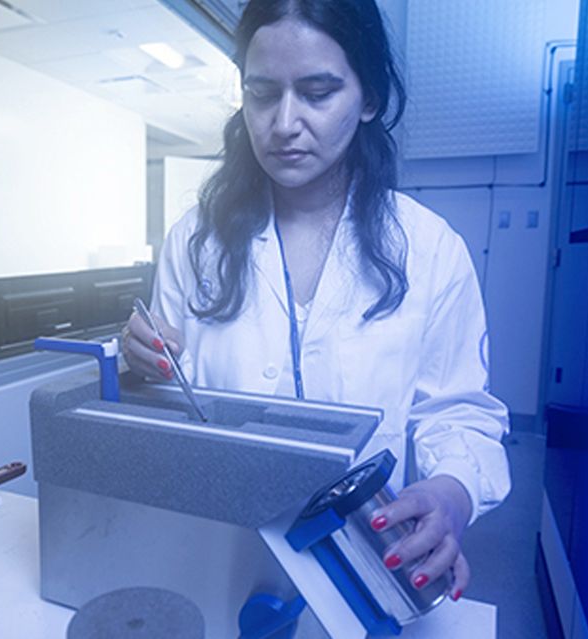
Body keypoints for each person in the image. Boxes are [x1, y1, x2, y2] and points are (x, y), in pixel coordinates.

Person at [122, 0, 510, 603]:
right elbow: (173, 410)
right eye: (262, 94)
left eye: (318, 92)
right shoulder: (195, 241)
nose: (283, 123)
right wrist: (141, 367)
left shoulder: (430, 250)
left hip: (364, 558)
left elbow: (458, 412)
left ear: (369, 98)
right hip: (213, 552)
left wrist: (451, 495)